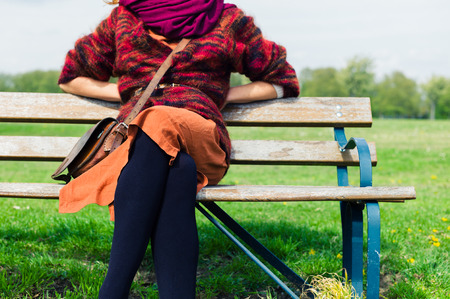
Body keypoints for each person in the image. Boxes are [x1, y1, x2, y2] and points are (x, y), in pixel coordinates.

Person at [57, 0, 299, 298]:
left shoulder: (226, 19)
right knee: (179, 170)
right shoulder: (124, 18)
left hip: (201, 135)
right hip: (143, 144)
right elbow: (71, 77)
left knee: (157, 119)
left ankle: (113, 291)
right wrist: (128, 92)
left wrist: (216, 95)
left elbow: (282, 80)